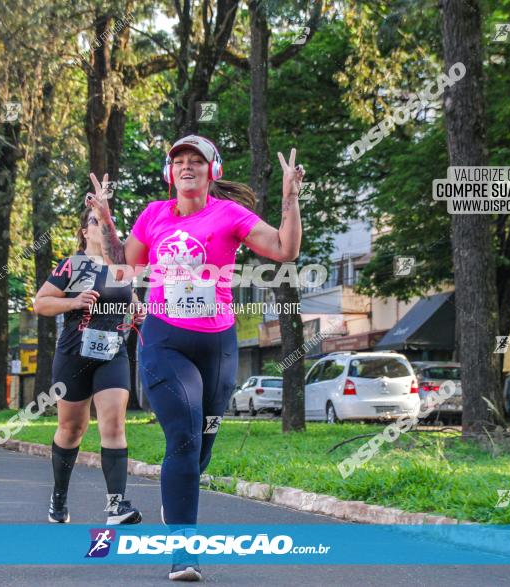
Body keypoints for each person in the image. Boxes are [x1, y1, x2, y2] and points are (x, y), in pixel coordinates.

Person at [87, 136, 304, 581]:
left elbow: (285, 250)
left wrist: (290, 198)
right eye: (179, 161)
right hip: (165, 340)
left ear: (213, 171)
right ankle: (184, 552)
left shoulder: (230, 215)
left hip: (217, 344)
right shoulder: (153, 215)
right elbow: (121, 269)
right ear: (170, 173)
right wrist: (106, 219)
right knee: (183, 438)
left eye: (196, 161)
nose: (187, 166)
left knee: (202, 445)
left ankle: (177, 490)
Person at [33, 207, 146, 525]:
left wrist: (138, 311)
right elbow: (41, 302)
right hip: (74, 355)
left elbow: (130, 297)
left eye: (108, 222)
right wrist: (73, 302)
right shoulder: (72, 265)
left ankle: (116, 505)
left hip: (113, 353)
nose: (104, 227)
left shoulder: (121, 267)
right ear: (84, 231)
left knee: (114, 424)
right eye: (96, 222)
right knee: (72, 429)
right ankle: (59, 496)